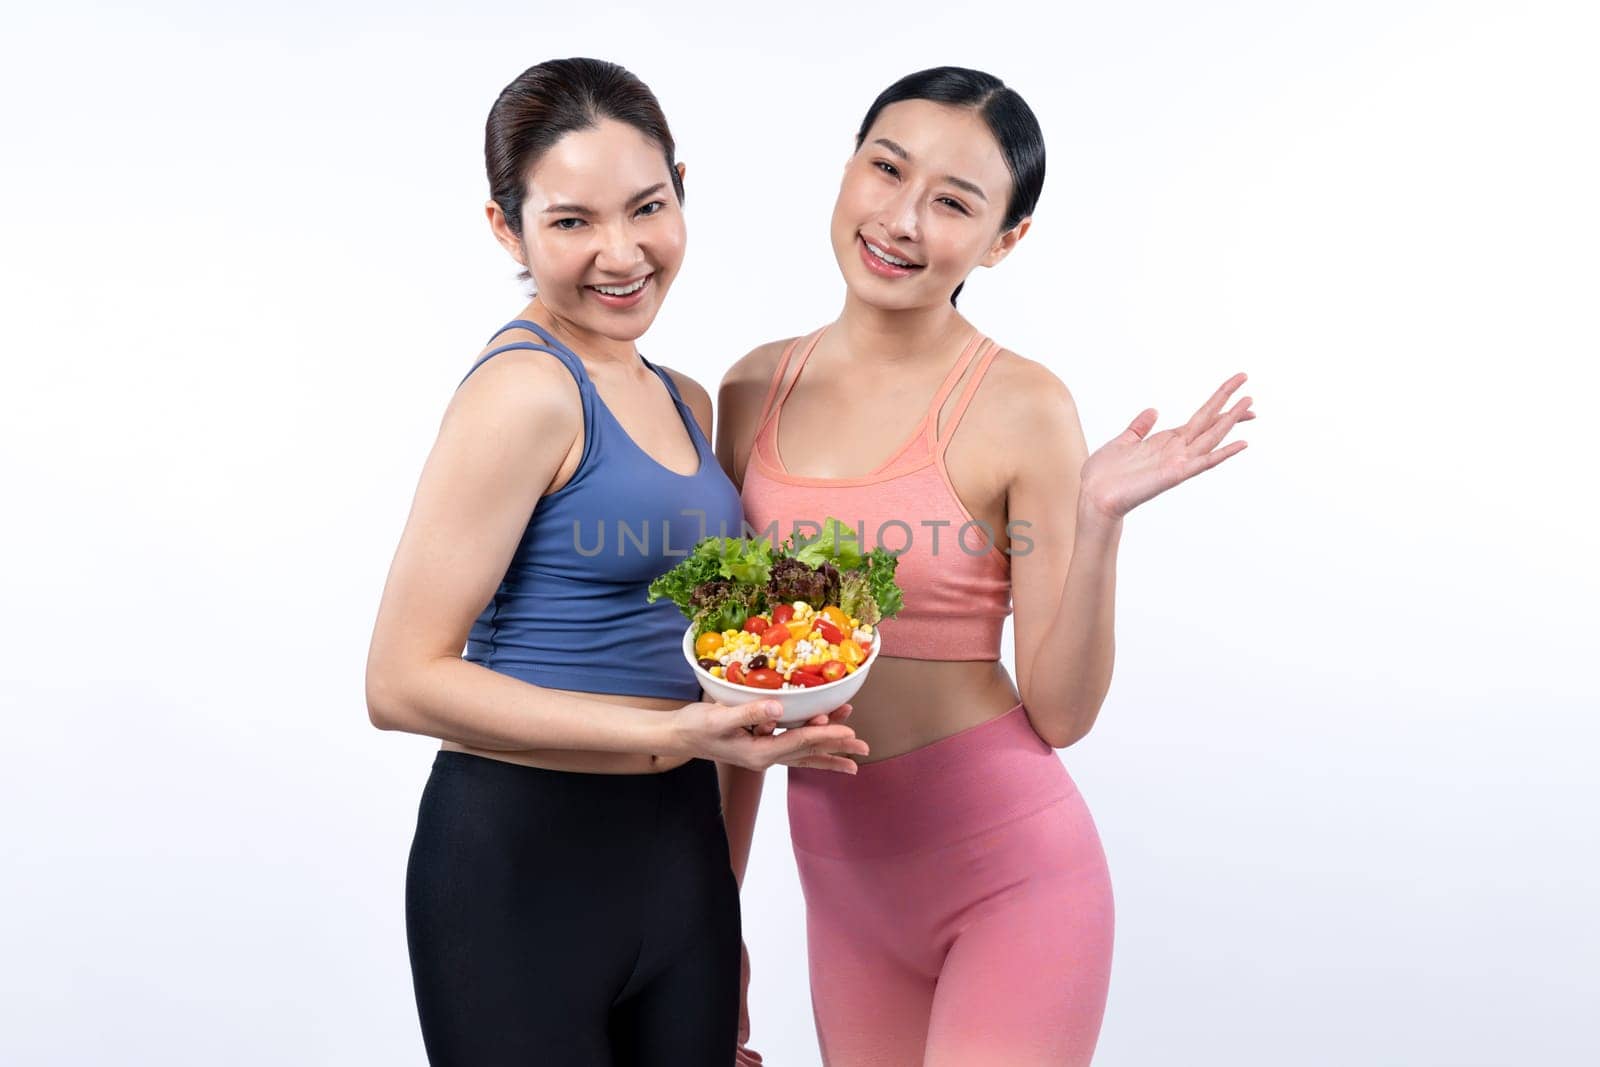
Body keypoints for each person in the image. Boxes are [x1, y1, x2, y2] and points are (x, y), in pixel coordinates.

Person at [716, 66, 1256, 1066]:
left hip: (1012, 875)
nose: (902, 218)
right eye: (887, 169)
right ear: (848, 168)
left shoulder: (1023, 405)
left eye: (954, 202)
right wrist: (711, 921)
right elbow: (735, 695)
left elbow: (1060, 711)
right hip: (842, 887)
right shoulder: (750, 390)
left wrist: (1095, 520)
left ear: (1004, 241)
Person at [364, 57, 867, 1066]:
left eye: (647, 207)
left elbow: (710, 652)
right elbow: (399, 680)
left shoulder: (684, 396)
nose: (621, 252)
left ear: (682, 187)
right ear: (507, 228)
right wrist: (675, 725)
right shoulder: (524, 392)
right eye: (570, 221)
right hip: (520, 861)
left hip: (676, 856)